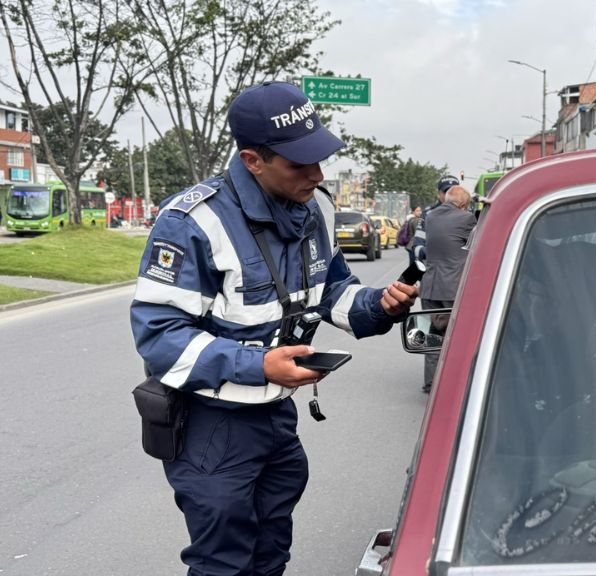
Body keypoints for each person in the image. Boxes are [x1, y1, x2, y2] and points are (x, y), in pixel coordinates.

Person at [129, 80, 417, 576]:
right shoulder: (193, 221)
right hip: (211, 426)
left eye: (319, 158)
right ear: (252, 160)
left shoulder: (310, 211)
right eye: (299, 164)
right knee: (223, 562)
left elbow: (334, 293)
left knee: (270, 553)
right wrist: (258, 364)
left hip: (276, 420)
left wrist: (382, 305)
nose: (317, 173)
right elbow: (160, 338)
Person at [419, 185, 476, 393]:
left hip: (430, 285)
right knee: (457, 337)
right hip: (452, 287)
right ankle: (454, 384)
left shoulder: (431, 216)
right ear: (463, 204)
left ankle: (430, 383)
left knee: (432, 337)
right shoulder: (467, 219)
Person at [411, 174, 459, 264]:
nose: (450, 196)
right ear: (439, 194)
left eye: (453, 192)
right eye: (446, 192)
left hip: (460, 271)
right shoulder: (428, 214)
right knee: (408, 276)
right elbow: (417, 247)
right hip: (434, 269)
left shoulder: (468, 215)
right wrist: (431, 253)